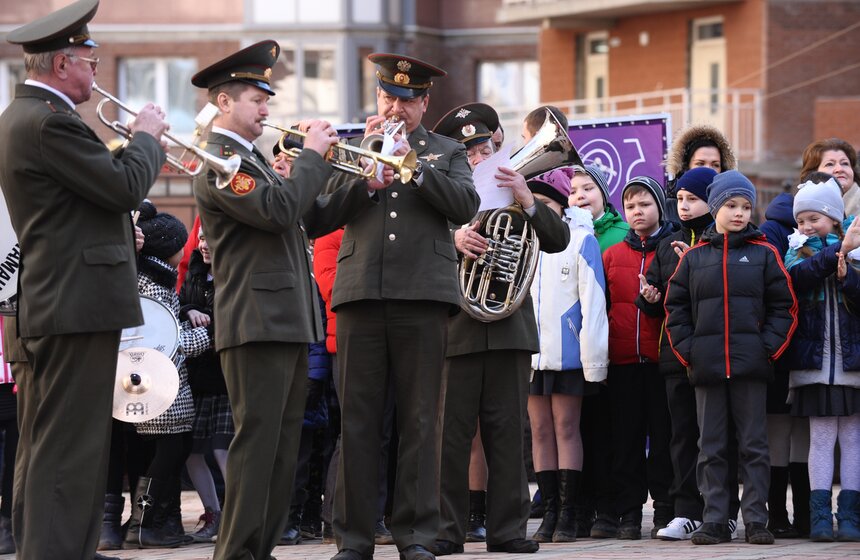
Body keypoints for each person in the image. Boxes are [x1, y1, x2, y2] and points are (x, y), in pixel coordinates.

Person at [192, 40, 379, 560]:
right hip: (256, 319)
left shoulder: (251, 157)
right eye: (257, 98)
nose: (267, 109)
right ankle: (236, 552)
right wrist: (315, 157)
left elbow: (308, 216)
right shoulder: (221, 156)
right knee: (259, 444)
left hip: (285, 317)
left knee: (280, 446)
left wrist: (364, 185)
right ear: (225, 102)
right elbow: (278, 209)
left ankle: (261, 547)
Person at [0, 0, 168, 557]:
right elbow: (123, 190)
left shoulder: (31, 117)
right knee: (67, 447)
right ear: (61, 63)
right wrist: (146, 137)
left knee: (53, 444)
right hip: (73, 302)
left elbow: (85, 204)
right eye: (89, 58)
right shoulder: (50, 122)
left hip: (64, 298)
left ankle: (57, 547)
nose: (96, 70)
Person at [327, 54, 479, 560]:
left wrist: (410, 167)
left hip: (424, 294)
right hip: (360, 292)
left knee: (419, 420)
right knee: (359, 420)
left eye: (407, 100)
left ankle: (415, 535)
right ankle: (353, 537)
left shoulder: (447, 151)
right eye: (388, 97)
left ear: (424, 103)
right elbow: (325, 212)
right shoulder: (353, 149)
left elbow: (464, 206)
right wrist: (366, 169)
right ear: (376, 98)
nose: (396, 107)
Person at [431, 103, 570, 556]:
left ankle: (508, 531)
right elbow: (419, 245)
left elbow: (558, 241)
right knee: (451, 435)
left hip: (509, 328)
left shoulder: (518, 192)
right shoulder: (444, 195)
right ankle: (447, 530)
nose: (477, 156)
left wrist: (528, 201)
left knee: (508, 432)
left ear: (498, 143)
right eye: (468, 151)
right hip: (456, 330)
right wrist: (451, 239)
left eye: (484, 146)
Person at [665, 170, 798, 545]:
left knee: (754, 446)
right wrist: (690, 352)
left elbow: (784, 307)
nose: (739, 213)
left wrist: (765, 349)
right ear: (716, 207)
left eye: (745, 206)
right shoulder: (693, 258)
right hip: (706, 369)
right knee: (711, 447)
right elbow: (676, 310)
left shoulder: (764, 254)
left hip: (750, 368)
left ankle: (756, 519)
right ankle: (715, 520)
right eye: (731, 205)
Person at [635, 167, 718, 540]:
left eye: (693, 199)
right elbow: (652, 295)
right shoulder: (668, 243)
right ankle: (685, 511)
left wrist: (697, 267)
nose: (684, 207)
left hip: (717, 357)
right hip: (675, 356)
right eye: (680, 199)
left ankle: (720, 510)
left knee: (715, 437)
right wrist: (649, 298)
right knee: (681, 435)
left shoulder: (722, 241)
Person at [527, 175, 608, 544]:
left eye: (547, 203)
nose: (540, 210)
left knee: (565, 428)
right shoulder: (524, 239)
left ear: (562, 204)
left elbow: (593, 304)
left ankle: (571, 511)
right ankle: (550, 510)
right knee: (540, 431)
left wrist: (593, 362)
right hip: (531, 353)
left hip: (569, 355)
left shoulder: (581, 239)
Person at [124, 201, 209, 549]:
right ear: (169, 250)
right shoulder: (155, 287)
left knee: (174, 449)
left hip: (160, 384)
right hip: (162, 386)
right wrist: (210, 333)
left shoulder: (155, 279)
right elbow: (168, 342)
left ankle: (149, 523)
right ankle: (143, 524)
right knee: (169, 452)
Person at [783, 177, 860, 542]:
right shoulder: (796, 250)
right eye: (801, 220)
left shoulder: (857, 251)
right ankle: (817, 517)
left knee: (853, 439)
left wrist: (849, 278)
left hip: (852, 363)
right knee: (821, 438)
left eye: (814, 217)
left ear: (833, 216)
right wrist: (836, 254)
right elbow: (797, 279)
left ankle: (850, 516)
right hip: (813, 365)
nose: (806, 226)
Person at [602, 177, 676, 539]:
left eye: (645, 204)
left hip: (661, 362)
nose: (637, 211)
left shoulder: (672, 250)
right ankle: (628, 513)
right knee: (626, 441)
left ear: (659, 208)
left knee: (663, 440)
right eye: (630, 206)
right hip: (623, 362)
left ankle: (664, 508)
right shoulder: (612, 254)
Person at [179, 225, 232, 543]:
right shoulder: (194, 277)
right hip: (198, 378)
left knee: (223, 448)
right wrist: (190, 310)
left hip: (227, 376)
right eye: (201, 238)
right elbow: (180, 307)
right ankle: (213, 513)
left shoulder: (234, 276)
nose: (205, 244)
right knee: (192, 452)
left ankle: (238, 514)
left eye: (211, 237)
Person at [664, 124, 737, 224]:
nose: (708, 169)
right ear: (685, 167)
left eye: (715, 165)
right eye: (700, 163)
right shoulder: (667, 208)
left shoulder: (735, 206)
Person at [799, 138, 860, 218]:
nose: (840, 169)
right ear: (813, 173)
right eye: (830, 164)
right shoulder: (801, 210)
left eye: (845, 163)